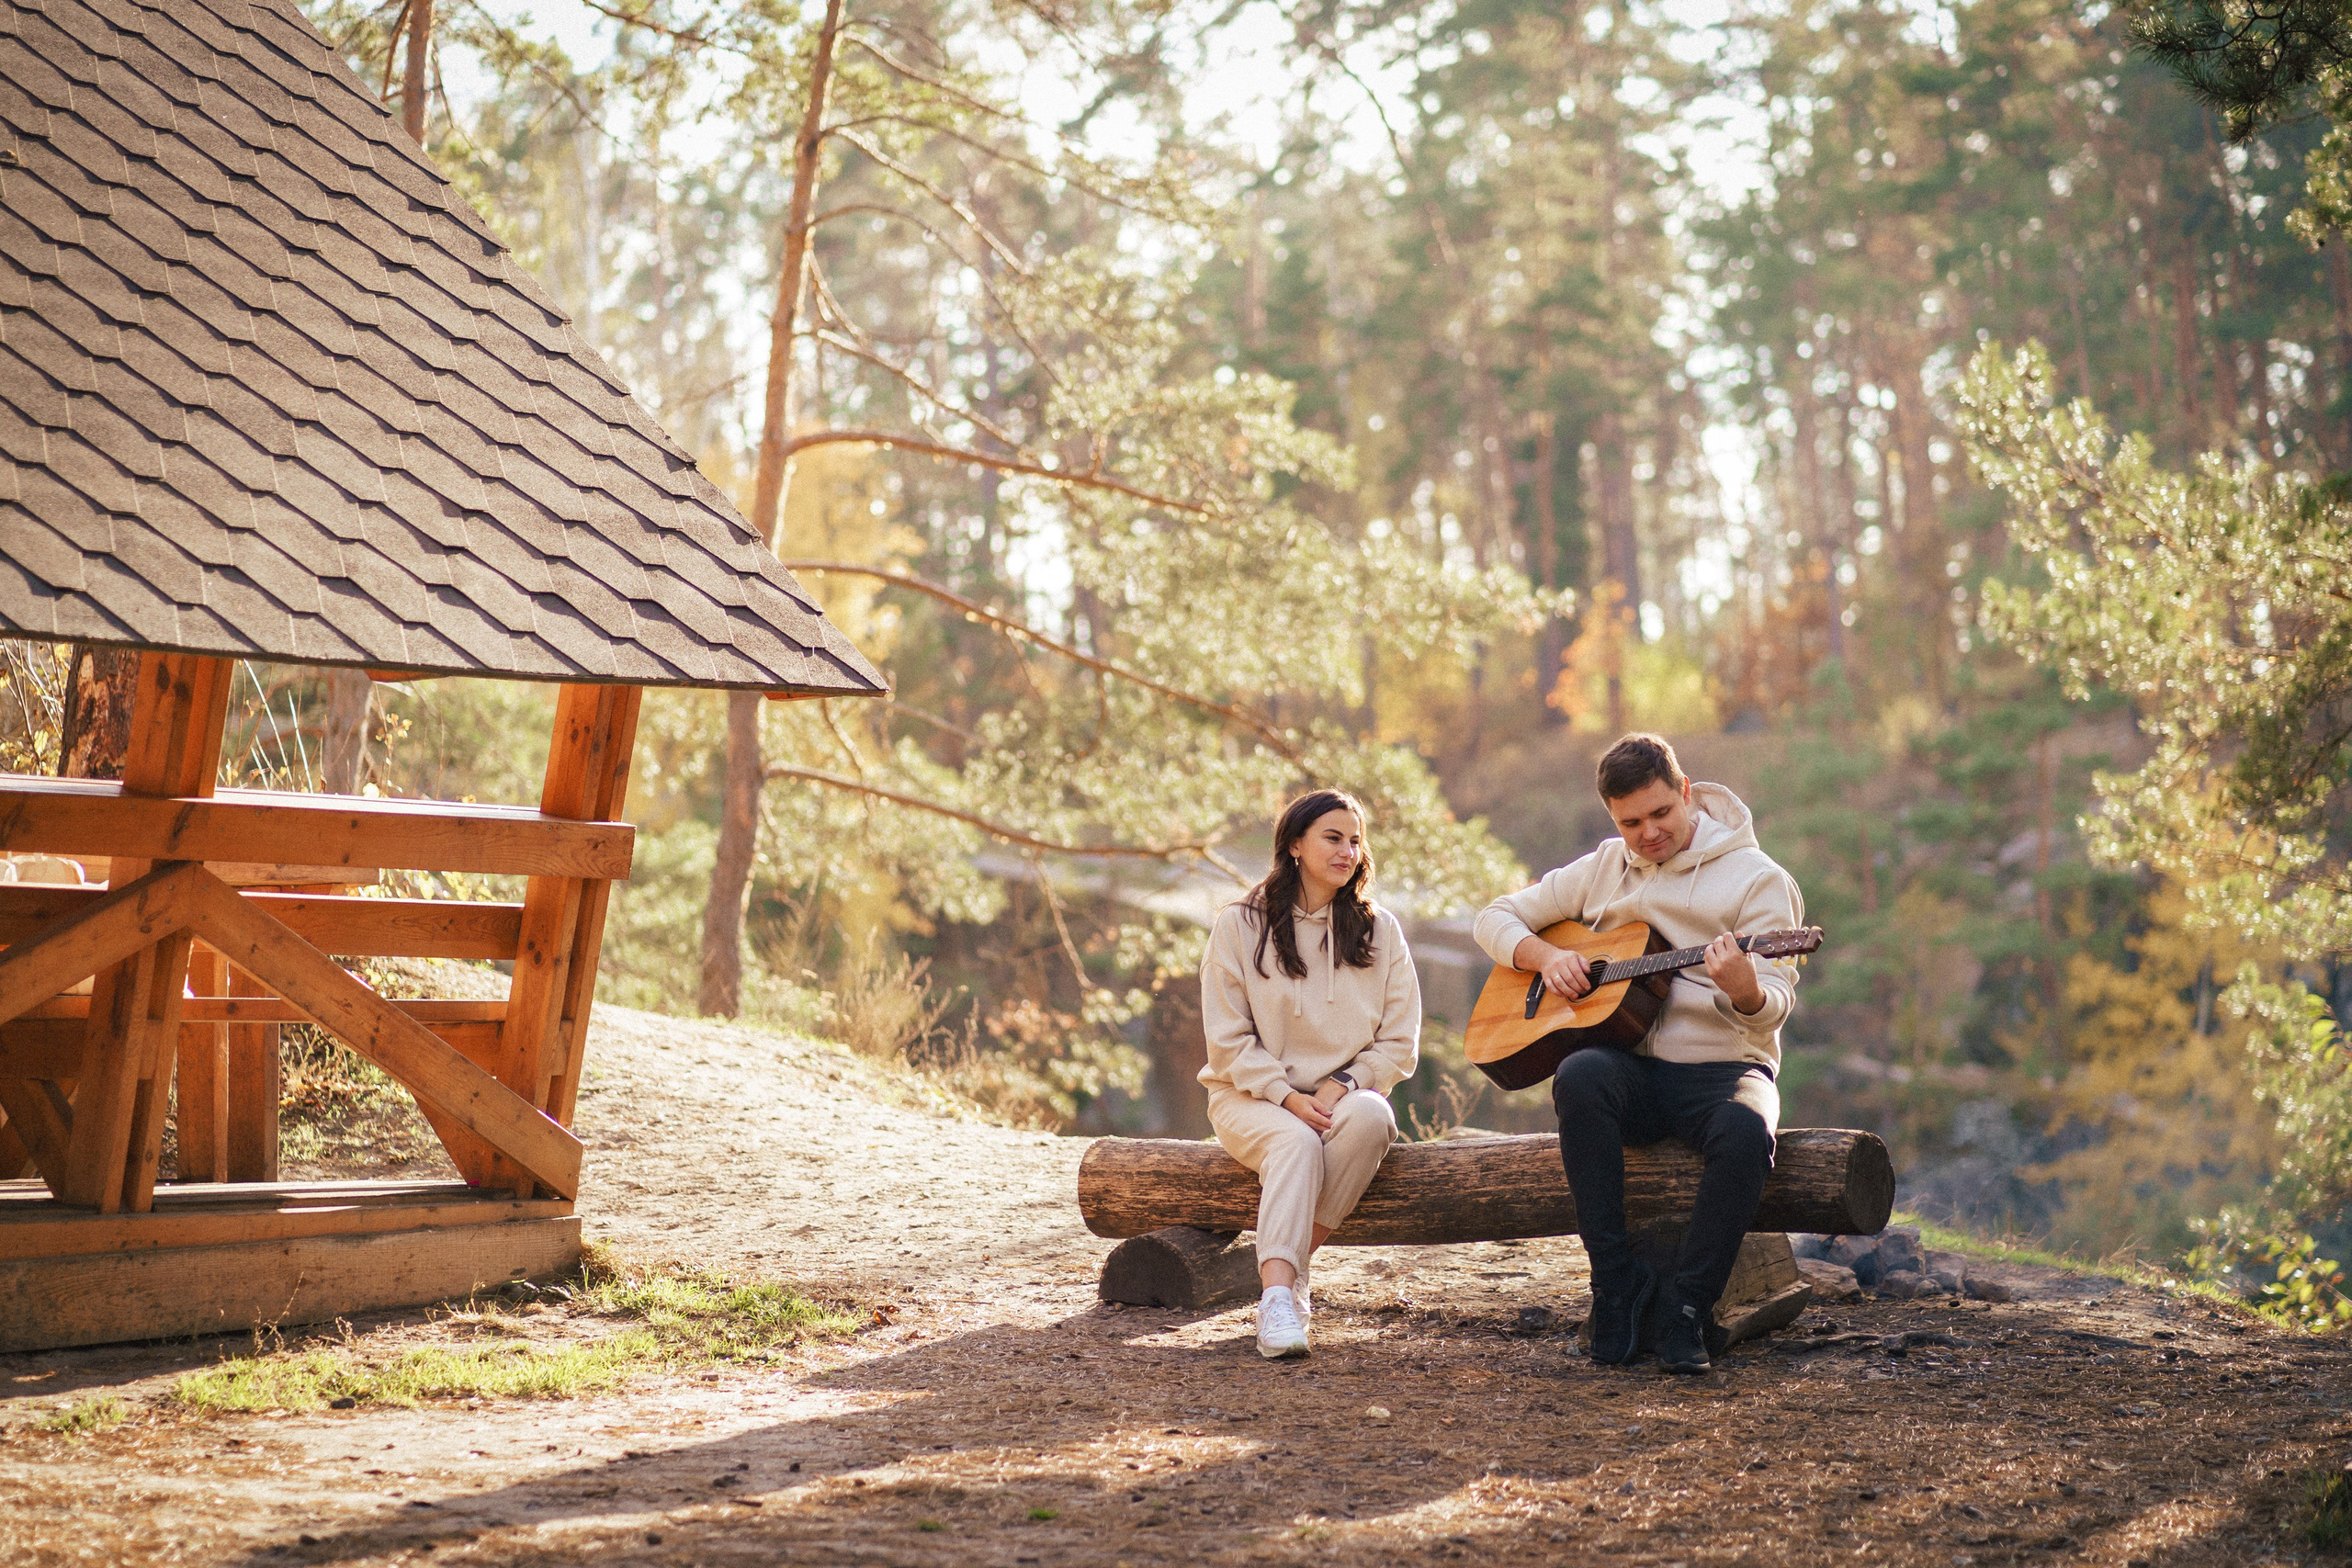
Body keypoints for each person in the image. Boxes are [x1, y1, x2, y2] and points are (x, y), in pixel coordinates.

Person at [1473, 734, 1804, 1373]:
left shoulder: (1760, 879)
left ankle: (1688, 1307)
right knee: (1579, 1074)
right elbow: (1494, 916)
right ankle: (1615, 1284)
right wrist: (1546, 956)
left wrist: (1746, 990)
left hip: (1727, 1067)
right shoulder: (1603, 865)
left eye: (1661, 814)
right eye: (1630, 822)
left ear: (1685, 794)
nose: (1648, 833)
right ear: (1612, 817)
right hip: (1635, 1068)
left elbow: (1777, 1004)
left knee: (1745, 1129)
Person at [1200, 789, 1422, 1359]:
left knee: (1374, 1115)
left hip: (1339, 1094)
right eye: (1332, 837)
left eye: (1355, 840)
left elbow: (1400, 1044)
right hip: (1250, 1097)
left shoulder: (1380, 932)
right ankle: (1277, 1300)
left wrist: (1347, 1082)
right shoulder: (1239, 925)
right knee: (1296, 1142)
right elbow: (1227, 1043)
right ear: (1295, 844)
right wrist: (1284, 1096)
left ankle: (1291, 1273)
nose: (1348, 851)